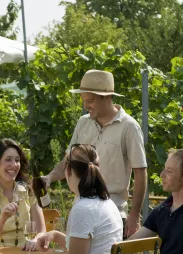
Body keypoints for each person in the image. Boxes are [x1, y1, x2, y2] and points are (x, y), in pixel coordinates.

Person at [43, 70, 147, 238]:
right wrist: (49, 177)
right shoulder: (83, 123)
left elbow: (140, 173)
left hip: (113, 212)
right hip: (81, 211)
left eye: (90, 100)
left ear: (107, 97)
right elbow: (69, 162)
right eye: (83, 100)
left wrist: (134, 216)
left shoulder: (129, 127)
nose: (85, 106)